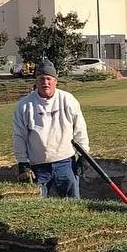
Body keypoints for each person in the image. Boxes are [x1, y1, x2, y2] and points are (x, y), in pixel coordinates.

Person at [12, 58, 90, 198]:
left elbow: (80, 129)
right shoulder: (24, 106)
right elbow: (19, 136)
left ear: (55, 80)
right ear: (36, 81)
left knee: (73, 206)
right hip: (38, 167)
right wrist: (22, 162)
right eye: (41, 79)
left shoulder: (68, 100)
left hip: (66, 163)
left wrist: (84, 156)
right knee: (38, 207)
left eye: (48, 79)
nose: (45, 83)